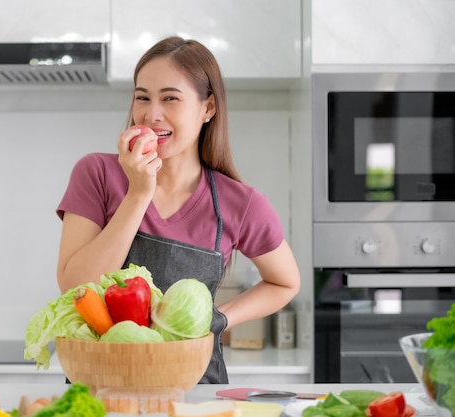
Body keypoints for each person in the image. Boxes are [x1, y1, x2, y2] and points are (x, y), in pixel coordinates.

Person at [55, 36, 301, 383]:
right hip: (103, 387)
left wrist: (218, 319)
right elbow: (74, 286)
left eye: (170, 98)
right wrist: (139, 193)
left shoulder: (239, 203)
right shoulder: (96, 173)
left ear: (208, 108)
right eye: (142, 97)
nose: (151, 114)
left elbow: (285, 283)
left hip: (193, 388)